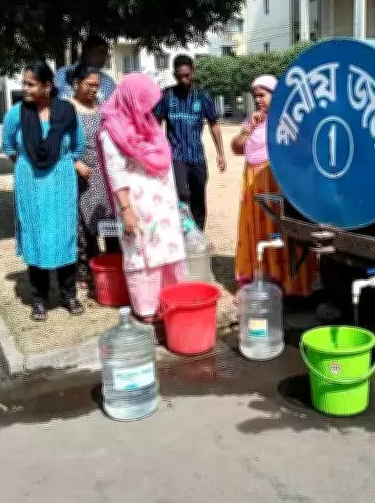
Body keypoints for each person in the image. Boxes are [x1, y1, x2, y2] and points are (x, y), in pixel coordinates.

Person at [1, 61, 86, 321]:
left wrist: (60, 164)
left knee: (64, 234)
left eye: (30, 83)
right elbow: (8, 146)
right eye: (23, 83)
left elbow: (78, 145)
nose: (24, 88)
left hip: (61, 180)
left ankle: (68, 294)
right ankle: (38, 298)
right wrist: (28, 168)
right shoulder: (16, 114)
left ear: (47, 86)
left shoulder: (67, 111)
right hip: (31, 182)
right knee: (35, 234)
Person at [98, 73, 187, 322]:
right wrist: (126, 209)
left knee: (167, 248)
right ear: (131, 100)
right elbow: (115, 171)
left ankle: (169, 300)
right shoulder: (111, 131)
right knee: (141, 251)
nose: (148, 108)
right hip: (137, 203)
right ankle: (147, 308)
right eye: (144, 102)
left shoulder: (147, 124)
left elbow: (162, 159)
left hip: (163, 204)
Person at [231, 74, 317, 297]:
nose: (258, 100)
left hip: (276, 182)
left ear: (275, 95)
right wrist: (248, 128)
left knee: (280, 229)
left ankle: (288, 283)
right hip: (253, 182)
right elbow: (236, 148)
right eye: (255, 96)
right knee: (257, 231)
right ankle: (263, 277)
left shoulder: (287, 120)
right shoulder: (254, 120)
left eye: (262, 95)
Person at [154, 54, 226, 230]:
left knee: (198, 196)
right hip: (175, 155)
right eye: (179, 76)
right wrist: (156, 150)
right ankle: (183, 231)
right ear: (174, 74)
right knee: (182, 193)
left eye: (187, 75)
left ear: (193, 72)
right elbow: (156, 124)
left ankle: (198, 233)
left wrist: (220, 154)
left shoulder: (202, 97)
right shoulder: (166, 96)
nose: (183, 79)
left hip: (197, 156)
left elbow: (214, 125)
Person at [68, 62, 120, 293]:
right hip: (81, 175)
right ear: (76, 84)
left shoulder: (103, 106)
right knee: (85, 227)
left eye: (97, 86)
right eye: (89, 85)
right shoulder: (66, 108)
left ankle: (113, 270)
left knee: (110, 223)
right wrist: (75, 162)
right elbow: (57, 142)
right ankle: (87, 270)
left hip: (106, 175)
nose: (93, 90)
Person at [53, 34, 116, 104]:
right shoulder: (63, 73)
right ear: (87, 51)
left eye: (106, 53)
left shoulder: (109, 82)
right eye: (101, 52)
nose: (104, 57)